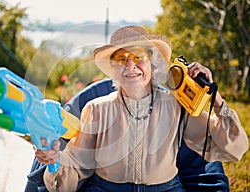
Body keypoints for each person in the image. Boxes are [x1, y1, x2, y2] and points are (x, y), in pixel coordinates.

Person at [34, 26, 248, 191]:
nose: (130, 65)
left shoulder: (176, 106)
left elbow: (233, 146)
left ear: (152, 63)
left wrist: (214, 97)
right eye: (121, 59)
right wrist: (55, 161)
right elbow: (78, 163)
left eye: (139, 57)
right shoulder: (97, 109)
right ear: (114, 69)